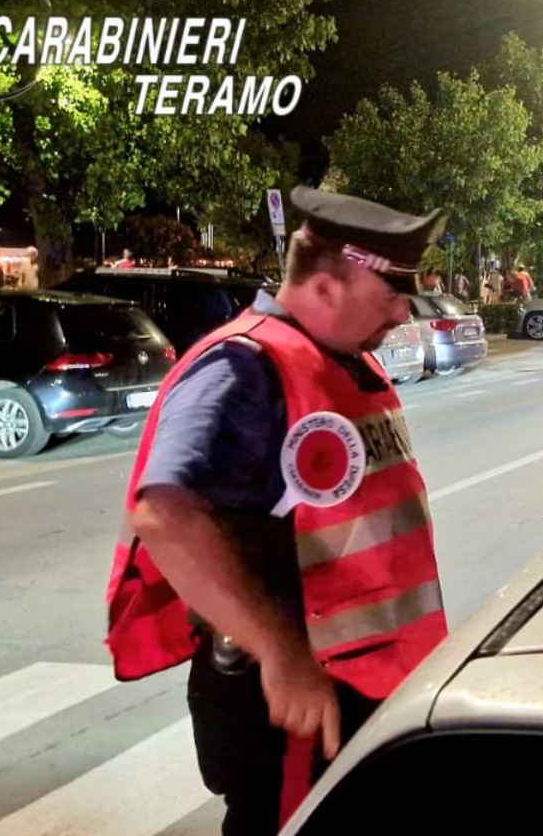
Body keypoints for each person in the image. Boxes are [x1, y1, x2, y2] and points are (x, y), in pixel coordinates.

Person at [105, 187, 449, 835]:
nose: (403, 312)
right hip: (296, 707)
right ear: (324, 286)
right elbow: (165, 512)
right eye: (389, 294)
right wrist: (283, 656)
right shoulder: (243, 366)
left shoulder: (341, 362)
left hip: (365, 689)